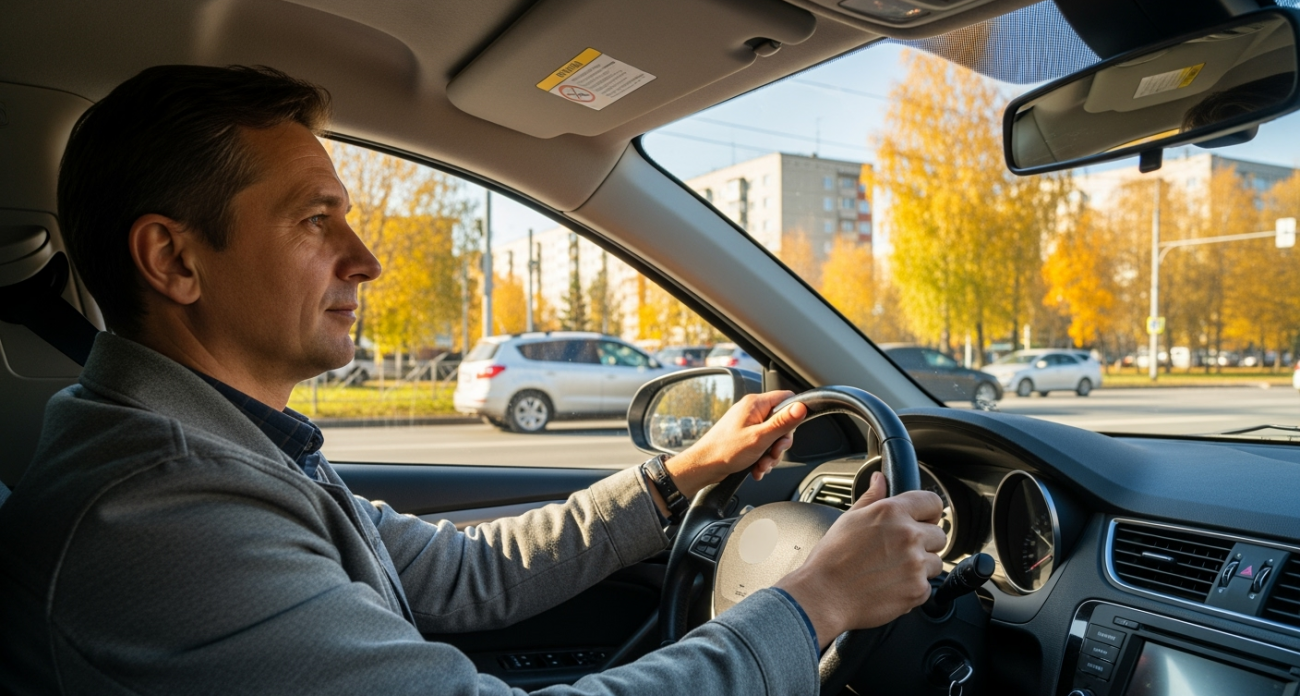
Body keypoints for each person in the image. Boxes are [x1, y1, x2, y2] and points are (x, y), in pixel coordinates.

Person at [0, 65, 945, 695]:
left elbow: (461, 573)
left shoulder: (221, 451)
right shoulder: (162, 515)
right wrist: (817, 602)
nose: (365, 259)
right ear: (174, 260)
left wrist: (681, 474)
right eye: (315, 220)